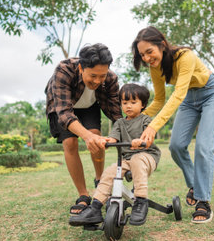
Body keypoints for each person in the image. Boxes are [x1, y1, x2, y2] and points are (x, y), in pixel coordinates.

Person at [131, 26, 214, 224]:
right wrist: (139, 118)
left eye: (150, 51)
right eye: (143, 55)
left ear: (162, 45)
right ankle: (194, 185)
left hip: (211, 93)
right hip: (188, 100)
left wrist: (153, 127)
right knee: (175, 146)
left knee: (203, 146)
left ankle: (203, 201)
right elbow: (159, 100)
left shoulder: (185, 56)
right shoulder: (154, 68)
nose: (147, 58)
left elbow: (178, 94)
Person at [45, 43, 122, 215]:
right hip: (63, 105)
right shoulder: (64, 70)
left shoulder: (110, 79)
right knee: (70, 142)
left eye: (101, 76)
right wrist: (85, 136)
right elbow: (64, 113)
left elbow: (116, 114)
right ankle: (83, 195)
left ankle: (100, 182)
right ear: (81, 67)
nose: (97, 81)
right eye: (93, 76)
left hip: (89, 105)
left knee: (96, 136)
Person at [69, 83, 161, 226]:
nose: (128, 106)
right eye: (124, 103)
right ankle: (95, 207)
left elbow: (149, 140)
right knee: (110, 171)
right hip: (127, 159)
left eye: (133, 102)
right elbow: (114, 138)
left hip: (147, 156)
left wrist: (141, 141)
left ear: (142, 105)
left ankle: (141, 201)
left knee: (137, 159)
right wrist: (106, 141)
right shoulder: (119, 123)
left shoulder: (146, 120)